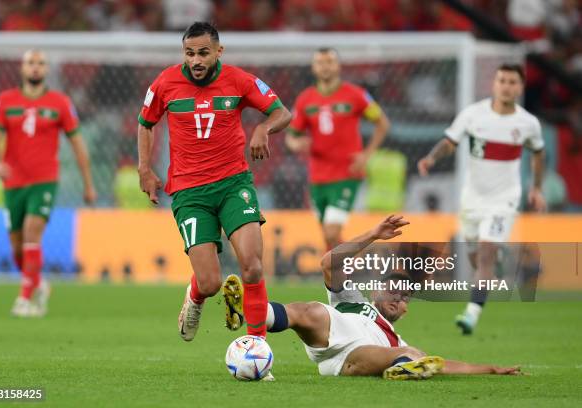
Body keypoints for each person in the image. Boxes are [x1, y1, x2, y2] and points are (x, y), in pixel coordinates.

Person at [136, 22, 291, 342]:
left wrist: (263, 129)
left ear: (218, 52)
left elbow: (281, 113)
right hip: (189, 193)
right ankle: (194, 297)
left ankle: (257, 345)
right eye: (190, 53)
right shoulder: (165, 82)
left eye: (203, 53)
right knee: (209, 283)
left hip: (234, 185)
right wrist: (144, 169)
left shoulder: (238, 80)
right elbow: (146, 124)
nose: (196, 60)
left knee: (253, 266)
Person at [226, 215, 523, 379]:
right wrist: (373, 235)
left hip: (350, 358)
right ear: (376, 289)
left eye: (405, 296)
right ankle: (250, 311)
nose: (398, 296)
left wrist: (491, 369)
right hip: (331, 330)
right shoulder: (351, 299)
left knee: (413, 354)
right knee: (313, 310)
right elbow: (329, 262)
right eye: (393, 288)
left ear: (406, 311)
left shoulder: (395, 337)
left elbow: (441, 363)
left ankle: (402, 367)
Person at [417, 64, 546, 335]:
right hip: (472, 199)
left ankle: (471, 314)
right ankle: (497, 259)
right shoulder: (473, 115)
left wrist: (536, 187)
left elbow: (538, 153)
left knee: (485, 254)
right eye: (502, 80)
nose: (506, 86)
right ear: (494, 84)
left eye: (512, 81)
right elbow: (450, 142)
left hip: (504, 199)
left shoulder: (527, 123)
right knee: (475, 256)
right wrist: (431, 157)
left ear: (520, 87)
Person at [0, 49, 96, 317]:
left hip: (45, 180)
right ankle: (38, 283)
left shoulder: (60, 103)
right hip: (13, 182)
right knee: (16, 246)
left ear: (46, 70)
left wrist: (88, 184)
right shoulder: (4, 101)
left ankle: (23, 299)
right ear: (23, 69)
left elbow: (78, 145)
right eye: (30, 63)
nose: (35, 68)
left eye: (40, 64)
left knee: (32, 232)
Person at [286, 47, 390, 250]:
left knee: (332, 230)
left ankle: (355, 268)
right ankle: (337, 278)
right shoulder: (305, 99)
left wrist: (367, 155)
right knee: (327, 236)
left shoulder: (356, 95)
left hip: (346, 173)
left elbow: (382, 123)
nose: (325, 66)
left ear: (338, 66)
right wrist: (296, 144)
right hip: (317, 176)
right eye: (320, 62)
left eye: (330, 62)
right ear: (313, 68)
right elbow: (292, 136)